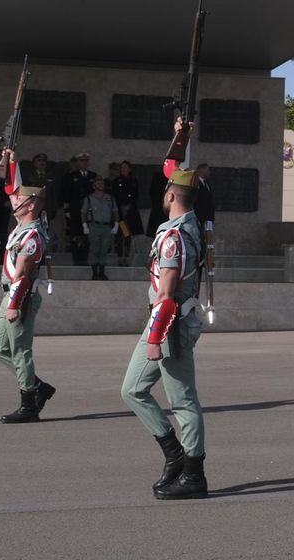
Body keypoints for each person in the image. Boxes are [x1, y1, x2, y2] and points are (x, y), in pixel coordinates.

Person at [122, 122, 209, 500]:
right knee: (132, 390)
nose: (162, 190)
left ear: (173, 194)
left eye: (166, 188)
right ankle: (174, 455)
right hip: (167, 322)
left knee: (182, 399)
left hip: (169, 324)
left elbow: (168, 294)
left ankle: (193, 473)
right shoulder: (181, 226)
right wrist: (180, 135)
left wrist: (155, 337)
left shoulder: (174, 236)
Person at [0, 149, 56, 423]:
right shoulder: (21, 228)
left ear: (30, 205)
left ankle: (29, 404)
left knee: (20, 351)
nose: (13, 198)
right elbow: (10, 187)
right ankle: (38, 386)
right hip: (9, 295)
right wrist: (11, 160)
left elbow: (23, 276)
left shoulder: (31, 236)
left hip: (20, 296)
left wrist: (15, 305)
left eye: (19, 198)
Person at [61, 153, 97, 264]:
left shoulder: (93, 176)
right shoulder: (71, 176)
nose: (84, 163)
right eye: (82, 161)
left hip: (89, 211)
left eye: (86, 161)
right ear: (78, 162)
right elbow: (66, 194)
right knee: (75, 235)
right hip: (75, 210)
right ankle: (76, 258)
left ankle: (84, 258)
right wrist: (67, 210)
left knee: (87, 236)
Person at [83, 176, 119, 280]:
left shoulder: (109, 198)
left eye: (102, 183)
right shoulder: (89, 198)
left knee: (104, 249)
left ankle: (102, 272)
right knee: (94, 249)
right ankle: (94, 272)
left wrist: (116, 224)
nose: (100, 185)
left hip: (106, 226)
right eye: (98, 183)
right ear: (94, 185)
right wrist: (84, 225)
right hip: (94, 226)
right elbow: (83, 212)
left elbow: (115, 211)